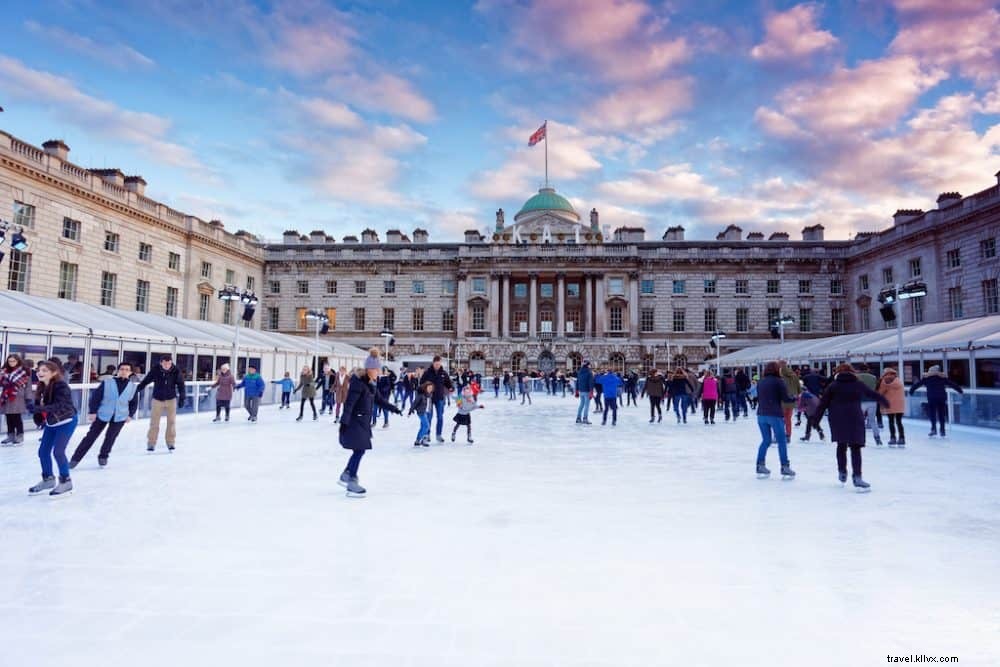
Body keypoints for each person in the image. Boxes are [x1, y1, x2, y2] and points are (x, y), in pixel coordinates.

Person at [816, 363, 889, 492]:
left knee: (841, 445)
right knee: (855, 447)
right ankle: (857, 476)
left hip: (837, 418)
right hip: (854, 416)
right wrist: (883, 400)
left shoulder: (833, 385)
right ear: (852, 372)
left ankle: (842, 471)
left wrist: (815, 419)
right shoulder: (857, 383)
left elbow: (823, 403)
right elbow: (871, 393)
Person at [338, 354, 402, 497]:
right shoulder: (359, 383)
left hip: (363, 423)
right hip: (355, 422)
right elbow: (349, 404)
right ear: (369, 369)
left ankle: (347, 475)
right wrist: (344, 422)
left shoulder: (371, 383)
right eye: (376, 369)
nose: (379, 372)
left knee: (359, 450)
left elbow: (379, 400)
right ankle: (351, 482)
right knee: (360, 450)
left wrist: (393, 409)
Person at [69, 362, 139, 468]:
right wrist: (93, 411)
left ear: (130, 372)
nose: (124, 371)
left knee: (110, 437)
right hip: (103, 414)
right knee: (91, 437)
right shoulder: (107, 382)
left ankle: (103, 456)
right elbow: (96, 397)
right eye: (122, 369)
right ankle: (75, 459)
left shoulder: (133, 387)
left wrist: (130, 415)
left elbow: (134, 402)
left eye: (127, 369)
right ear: (118, 371)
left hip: (120, 416)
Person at [28, 361, 78, 496]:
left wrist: (38, 408)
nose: (40, 373)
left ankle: (66, 480)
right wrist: (38, 417)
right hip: (52, 422)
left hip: (66, 421)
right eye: (39, 370)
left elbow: (60, 405)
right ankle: (48, 479)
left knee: (58, 452)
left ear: (54, 372)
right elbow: (40, 407)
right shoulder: (41, 387)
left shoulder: (61, 386)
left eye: (44, 370)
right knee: (43, 451)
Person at [755, 361, 797, 479]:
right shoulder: (779, 382)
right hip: (774, 414)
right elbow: (786, 398)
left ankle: (760, 464)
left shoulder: (761, 382)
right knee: (781, 440)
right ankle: (785, 466)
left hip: (761, 414)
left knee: (766, 440)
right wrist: (794, 397)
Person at [137, 355, 185, 452]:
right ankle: (151, 443)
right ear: (161, 363)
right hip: (157, 399)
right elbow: (147, 380)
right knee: (154, 422)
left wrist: (182, 398)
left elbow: (181, 384)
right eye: (165, 363)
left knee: (171, 422)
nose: (167, 365)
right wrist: (138, 388)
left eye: (169, 363)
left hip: (171, 399)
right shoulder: (155, 370)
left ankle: (170, 442)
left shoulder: (175, 371)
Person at [909, 365, 964, 437]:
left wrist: (911, 391)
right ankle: (942, 431)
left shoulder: (927, 378)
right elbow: (952, 384)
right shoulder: (941, 378)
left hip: (932, 398)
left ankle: (933, 429)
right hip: (941, 398)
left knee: (933, 414)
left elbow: (918, 384)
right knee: (941, 415)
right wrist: (960, 390)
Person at [419, 354, 454, 443]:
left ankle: (438, 434)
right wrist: (424, 391)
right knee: (429, 417)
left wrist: (451, 387)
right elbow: (421, 383)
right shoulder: (427, 372)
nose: (437, 366)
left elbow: (448, 383)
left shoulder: (443, 373)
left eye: (439, 364)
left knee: (440, 417)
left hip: (440, 398)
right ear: (433, 363)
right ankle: (427, 435)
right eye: (436, 364)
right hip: (429, 398)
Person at [1, 353, 30, 446]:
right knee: (8, 416)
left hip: (18, 396)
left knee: (16, 417)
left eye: (13, 361)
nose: (11, 363)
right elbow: (2, 383)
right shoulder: (4, 371)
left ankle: (20, 435)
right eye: (9, 361)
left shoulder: (24, 371)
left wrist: (28, 398)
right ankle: (10, 435)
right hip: (7, 396)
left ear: (18, 361)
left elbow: (28, 386)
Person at [878, 368, 907, 446]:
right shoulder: (898, 380)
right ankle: (902, 438)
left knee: (891, 422)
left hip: (890, 404)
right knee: (899, 422)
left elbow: (880, 392)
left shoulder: (884, 381)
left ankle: (893, 438)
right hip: (900, 404)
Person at [855, 363, 883, 446]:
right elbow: (877, 387)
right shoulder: (873, 377)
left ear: (859, 369)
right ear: (867, 369)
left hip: (861, 401)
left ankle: (860, 438)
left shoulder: (856, 377)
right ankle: (877, 438)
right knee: (872, 421)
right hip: (872, 401)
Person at [409, 381, 434, 447]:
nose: (430, 389)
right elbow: (415, 402)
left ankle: (419, 440)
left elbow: (429, 403)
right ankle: (420, 439)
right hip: (421, 412)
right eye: (428, 388)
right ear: (425, 388)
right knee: (426, 426)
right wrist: (410, 410)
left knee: (423, 426)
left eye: (431, 388)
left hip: (428, 412)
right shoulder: (421, 394)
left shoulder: (430, 394)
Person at [779, 361, 801, 438]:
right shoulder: (794, 375)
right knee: (788, 419)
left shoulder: (780, 377)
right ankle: (788, 435)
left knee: (780, 419)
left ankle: (779, 435)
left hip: (782, 401)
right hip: (791, 401)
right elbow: (799, 389)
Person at [575, 361, 594, 425]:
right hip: (587, 391)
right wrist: (591, 392)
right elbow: (590, 382)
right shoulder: (589, 372)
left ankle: (578, 418)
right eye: (590, 365)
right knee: (586, 405)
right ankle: (585, 418)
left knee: (581, 404)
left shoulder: (579, 372)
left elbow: (577, 381)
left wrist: (577, 390)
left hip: (581, 391)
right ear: (588, 365)